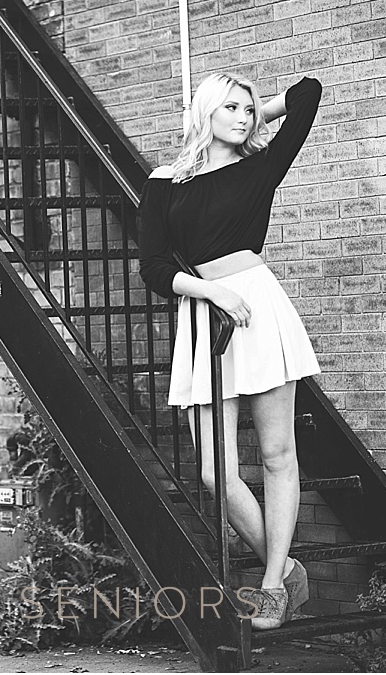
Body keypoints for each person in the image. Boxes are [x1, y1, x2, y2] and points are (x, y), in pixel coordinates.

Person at [139, 72, 323, 631]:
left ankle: (270, 588)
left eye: (249, 109)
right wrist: (210, 289)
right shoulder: (166, 181)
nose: (244, 117)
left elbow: (307, 93)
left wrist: (256, 117)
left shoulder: (260, 166)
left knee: (277, 456)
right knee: (217, 469)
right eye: (233, 108)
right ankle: (287, 567)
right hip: (204, 313)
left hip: (260, 310)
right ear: (206, 112)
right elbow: (154, 268)